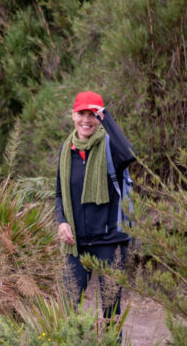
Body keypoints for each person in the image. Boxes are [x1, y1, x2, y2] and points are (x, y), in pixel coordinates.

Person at [55, 90, 136, 319]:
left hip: (111, 241)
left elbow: (130, 154)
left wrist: (107, 117)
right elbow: (59, 194)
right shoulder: (66, 151)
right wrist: (61, 222)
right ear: (73, 115)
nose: (86, 120)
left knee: (111, 312)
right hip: (77, 244)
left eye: (93, 114)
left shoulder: (111, 148)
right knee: (68, 310)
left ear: (99, 118)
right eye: (82, 113)